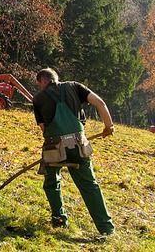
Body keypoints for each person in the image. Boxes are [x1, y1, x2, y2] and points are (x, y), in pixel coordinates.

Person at [33, 68, 115, 236]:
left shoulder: (38, 98)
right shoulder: (75, 86)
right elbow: (100, 103)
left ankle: (59, 219)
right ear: (56, 78)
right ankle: (107, 229)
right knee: (89, 186)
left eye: (39, 84)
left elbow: (43, 128)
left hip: (53, 148)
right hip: (79, 145)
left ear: (42, 80)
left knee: (51, 182)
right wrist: (108, 126)